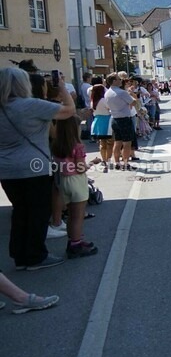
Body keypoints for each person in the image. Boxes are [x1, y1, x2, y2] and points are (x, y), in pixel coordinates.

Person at [0, 67, 78, 271]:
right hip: (33, 167)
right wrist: (61, 86)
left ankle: (19, 256)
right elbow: (69, 111)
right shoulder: (30, 105)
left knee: (20, 210)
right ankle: (35, 256)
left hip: (6, 169)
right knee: (38, 212)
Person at [50, 117, 101, 258]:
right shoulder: (77, 146)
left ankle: (73, 241)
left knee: (71, 215)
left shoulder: (56, 145)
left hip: (63, 180)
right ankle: (76, 245)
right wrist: (92, 162)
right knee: (78, 216)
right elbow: (80, 168)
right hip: (76, 181)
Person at [103, 74, 136, 171]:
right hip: (124, 118)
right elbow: (133, 102)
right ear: (114, 81)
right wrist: (132, 96)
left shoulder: (107, 93)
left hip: (114, 118)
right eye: (118, 79)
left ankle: (116, 162)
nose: (121, 80)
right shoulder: (122, 92)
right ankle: (125, 163)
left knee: (117, 142)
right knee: (127, 143)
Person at [90, 79, 112, 171]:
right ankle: (109, 160)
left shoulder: (93, 101)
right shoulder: (104, 100)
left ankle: (104, 159)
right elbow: (110, 109)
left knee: (101, 143)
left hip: (97, 121)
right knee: (109, 142)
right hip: (106, 121)